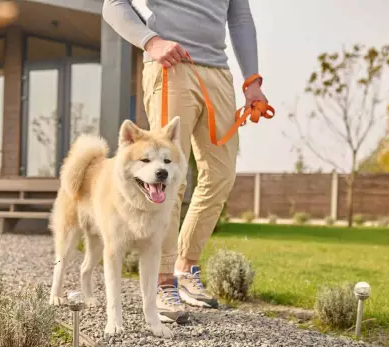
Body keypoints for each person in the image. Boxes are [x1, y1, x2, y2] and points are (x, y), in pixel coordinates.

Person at [102, 0, 268, 323]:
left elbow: (240, 16)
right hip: (170, 65)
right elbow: (113, 4)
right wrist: (151, 40)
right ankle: (163, 281)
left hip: (218, 71)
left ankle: (185, 263)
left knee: (221, 173)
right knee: (166, 178)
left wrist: (252, 80)